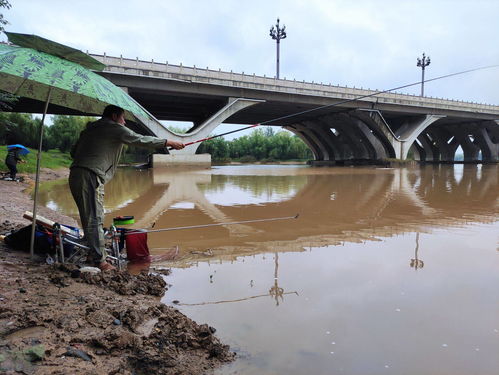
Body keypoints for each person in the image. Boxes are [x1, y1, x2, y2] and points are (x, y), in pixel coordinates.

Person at [69, 105, 184, 271]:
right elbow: (140, 140)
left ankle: (92, 253)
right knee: (95, 218)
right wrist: (168, 142)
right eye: (123, 119)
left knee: (90, 216)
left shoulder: (90, 129)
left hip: (76, 174)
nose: (124, 123)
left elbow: (74, 152)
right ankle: (101, 262)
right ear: (115, 116)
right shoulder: (114, 128)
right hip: (91, 175)